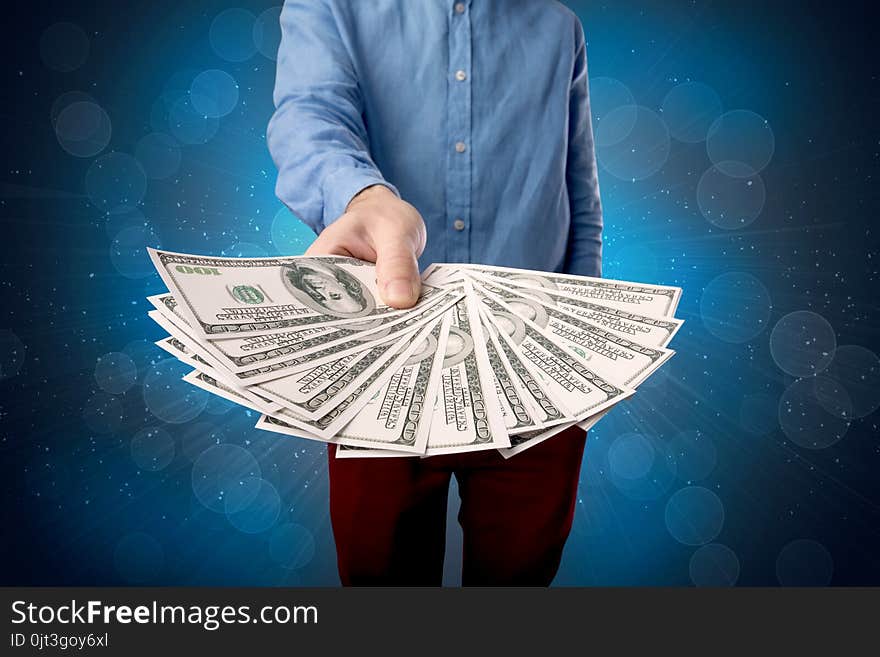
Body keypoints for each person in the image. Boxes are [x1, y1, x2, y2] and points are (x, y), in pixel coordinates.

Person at [268, 0, 603, 585]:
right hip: (379, 364)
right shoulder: (331, 7)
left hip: (533, 375)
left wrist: (584, 348)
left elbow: (579, 195)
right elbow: (308, 117)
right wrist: (363, 196)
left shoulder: (559, 26)